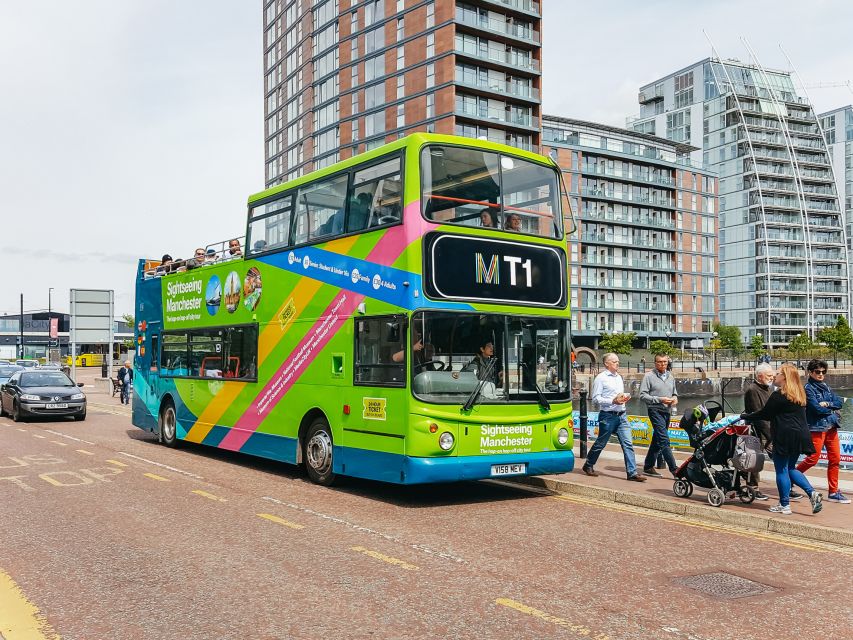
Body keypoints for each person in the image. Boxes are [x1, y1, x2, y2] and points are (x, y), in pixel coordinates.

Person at [741, 363, 822, 515]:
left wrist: (744, 416)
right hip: (801, 436)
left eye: (778, 374)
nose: (775, 376)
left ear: (785, 378)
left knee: (781, 470)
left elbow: (765, 414)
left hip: (785, 436)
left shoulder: (779, 395)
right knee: (791, 468)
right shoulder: (799, 393)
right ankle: (812, 493)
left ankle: (784, 505)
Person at [583, 353, 647, 482]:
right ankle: (588, 465)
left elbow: (618, 396)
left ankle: (632, 473)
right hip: (607, 416)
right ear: (607, 363)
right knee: (601, 443)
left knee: (628, 444)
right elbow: (595, 399)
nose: (618, 363)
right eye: (614, 361)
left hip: (622, 415)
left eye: (618, 361)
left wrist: (623, 398)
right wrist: (613, 401)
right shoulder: (601, 378)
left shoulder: (619, 377)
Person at [797, 359, 850, 504]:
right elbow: (816, 409)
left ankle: (833, 492)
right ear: (810, 372)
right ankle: (792, 477)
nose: (821, 374)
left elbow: (839, 402)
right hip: (817, 428)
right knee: (812, 459)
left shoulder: (826, 387)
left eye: (823, 372)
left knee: (835, 459)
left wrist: (828, 404)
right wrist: (831, 409)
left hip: (831, 427)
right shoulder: (808, 388)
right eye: (817, 372)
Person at [639, 354, 678, 478]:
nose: (663, 364)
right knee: (664, 439)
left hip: (667, 411)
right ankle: (675, 469)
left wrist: (675, 398)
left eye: (665, 362)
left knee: (657, 439)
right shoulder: (648, 376)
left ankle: (648, 466)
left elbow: (674, 393)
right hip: (655, 410)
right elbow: (642, 396)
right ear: (655, 363)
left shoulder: (671, 376)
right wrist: (659, 399)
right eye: (660, 362)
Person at [743, 362, 775, 500]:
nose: (772, 378)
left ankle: (788, 487)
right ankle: (752, 489)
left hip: (770, 430)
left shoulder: (769, 389)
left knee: (781, 459)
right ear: (760, 376)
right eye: (769, 376)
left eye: (773, 376)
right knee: (755, 461)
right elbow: (758, 415)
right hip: (758, 431)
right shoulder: (752, 390)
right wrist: (770, 435)